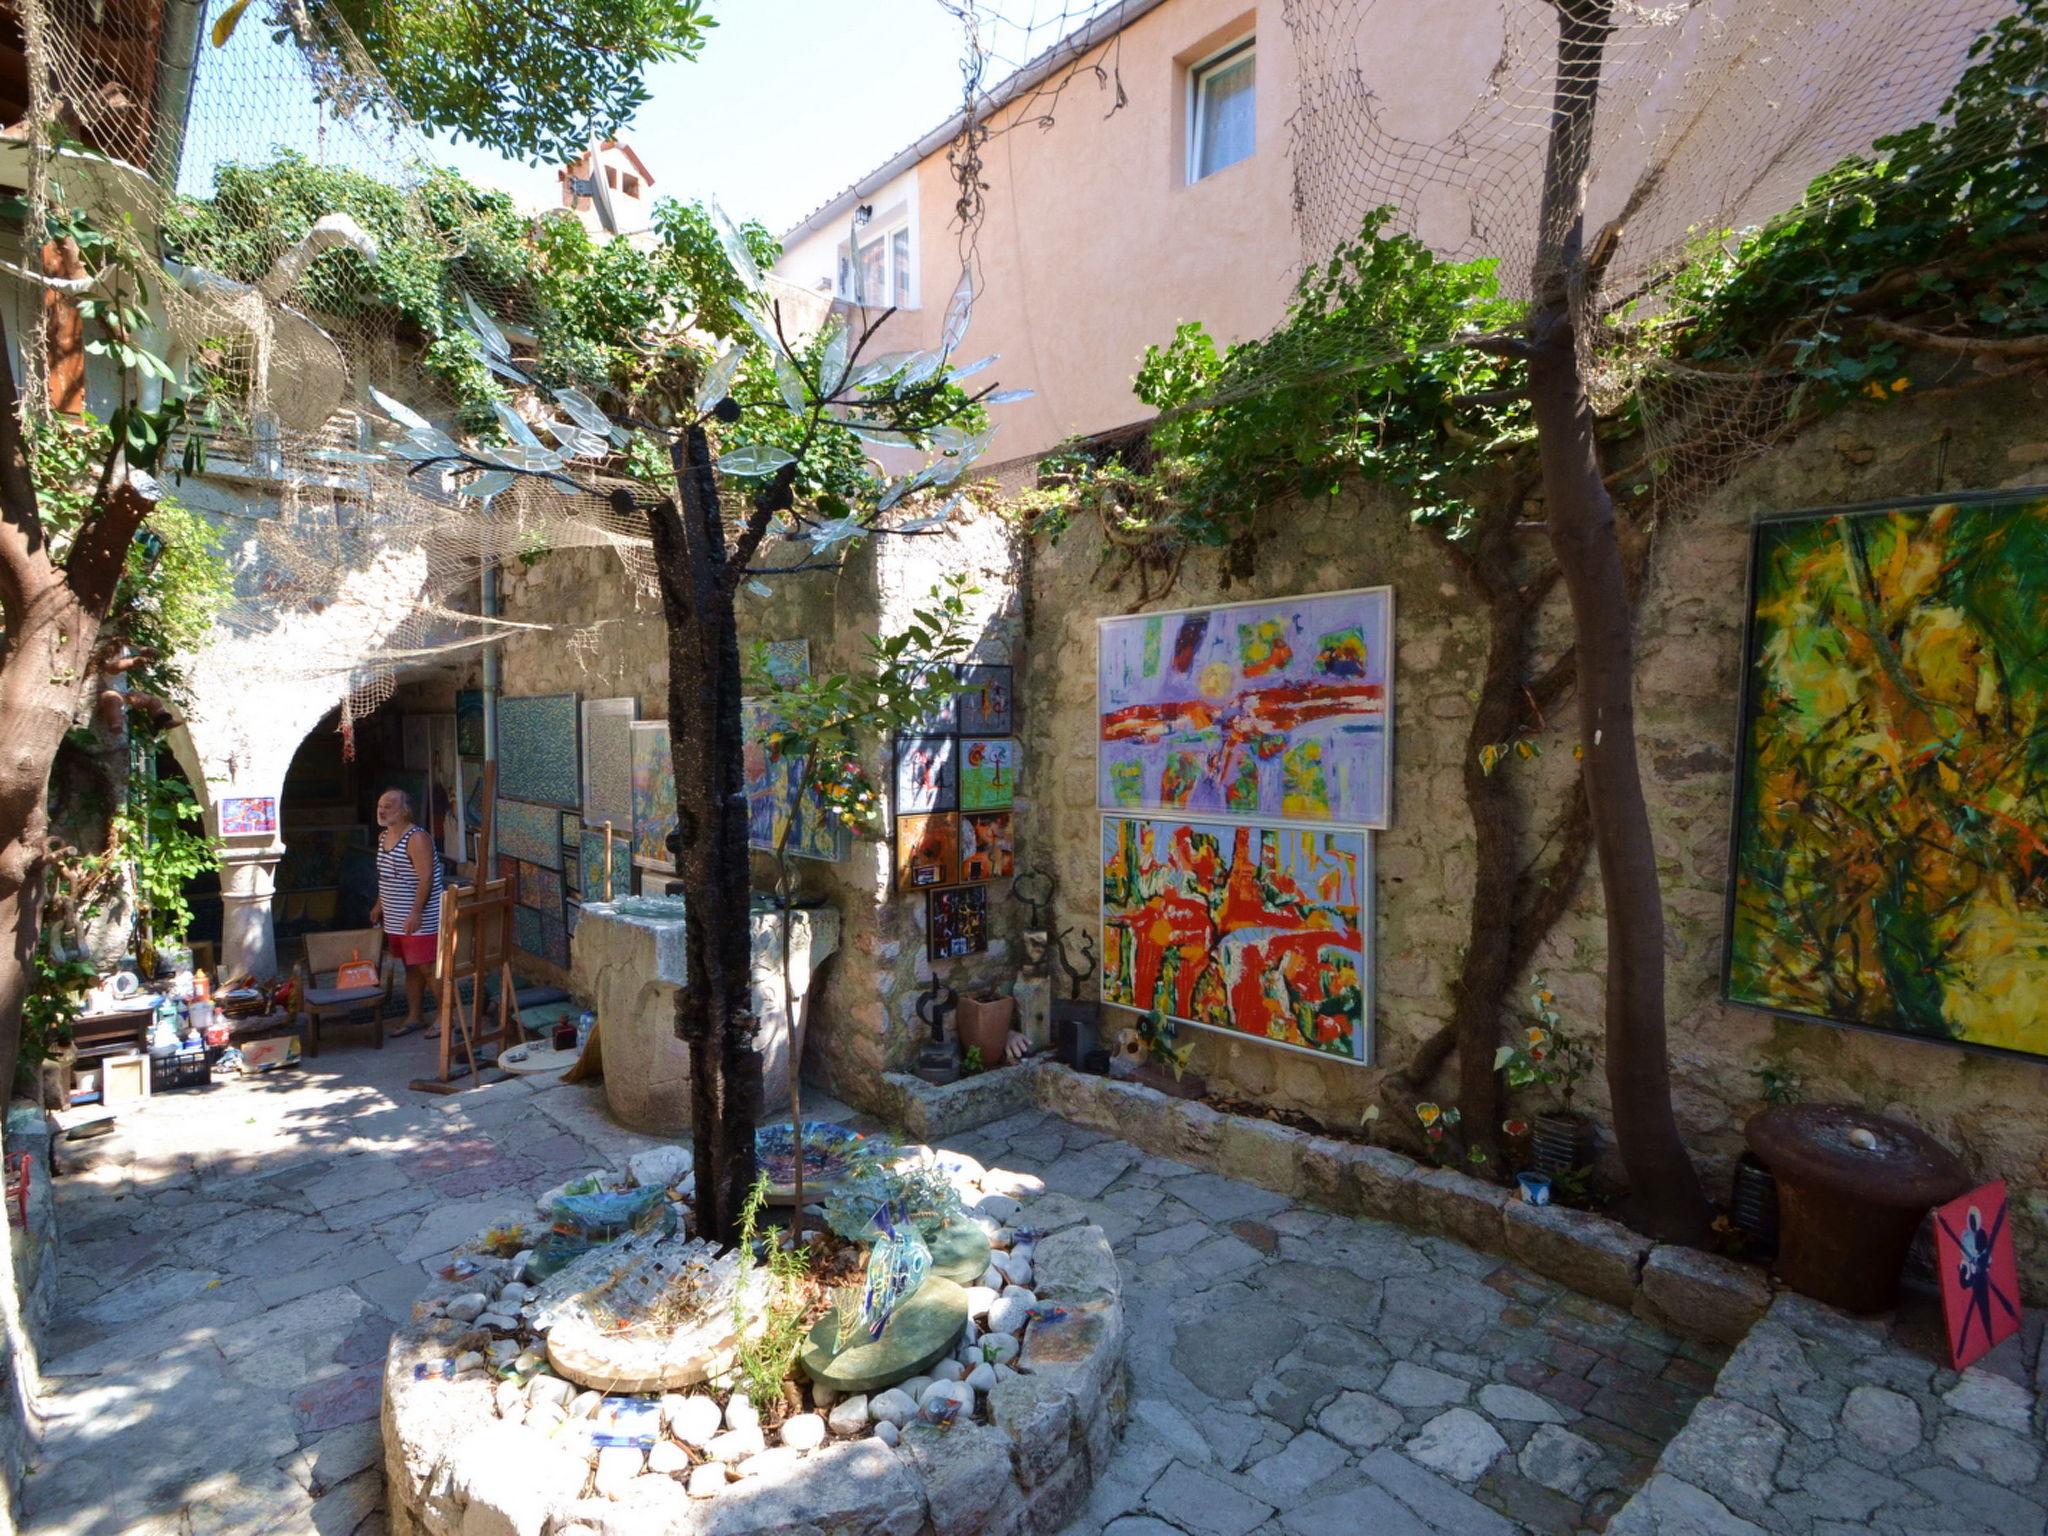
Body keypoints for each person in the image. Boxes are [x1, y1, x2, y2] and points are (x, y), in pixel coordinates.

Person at [370, 786, 444, 1037]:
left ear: (405, 811)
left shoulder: (416, 838)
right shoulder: (383, 837)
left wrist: (416, 913)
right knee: (411, 967)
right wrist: (380, 904)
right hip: (395, 917)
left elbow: (426, 879)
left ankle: (446, 1016)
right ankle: (415, 1016)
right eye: (381, 805)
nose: (382, 810)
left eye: (389, 805)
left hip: (419, 917)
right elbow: (388, 875)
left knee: (427, 965)